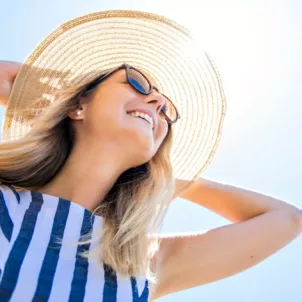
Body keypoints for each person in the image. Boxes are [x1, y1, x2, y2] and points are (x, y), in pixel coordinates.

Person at [0, 10, 301, 302]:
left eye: (166, 111)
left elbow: (287, 219)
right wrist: (38, 92)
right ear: (78, 107)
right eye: (137, 83)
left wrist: (167, 178)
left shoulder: (138, 264)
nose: (157, 101)